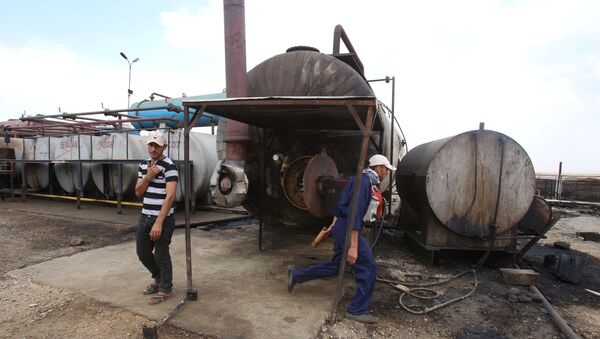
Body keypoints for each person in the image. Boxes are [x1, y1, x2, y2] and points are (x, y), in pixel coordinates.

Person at [287, 154, 396, 323]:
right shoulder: (365, 183)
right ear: (379, 169)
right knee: (368, 267)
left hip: (341, 226)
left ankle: (297, 274)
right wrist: (353, 245)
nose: (386, 174)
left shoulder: (357, 179)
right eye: (386, 170)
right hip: (348, 229)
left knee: (337, 265)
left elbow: (341, 204)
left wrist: (334, 223)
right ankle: (357, 310)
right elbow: (354, 214)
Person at [135, 131, 179, 305]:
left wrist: (159, 223)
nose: (153, 149)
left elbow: (170, 196)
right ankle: (159, 277)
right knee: (142, 252)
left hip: (163, 219)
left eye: (157, 146)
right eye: (151, 145)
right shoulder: (143, 165)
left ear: (164, 147)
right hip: (145, 216)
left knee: (161, 254)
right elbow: (138, 192)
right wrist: (148, 176)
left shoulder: (170, 167)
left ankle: (165, 288)